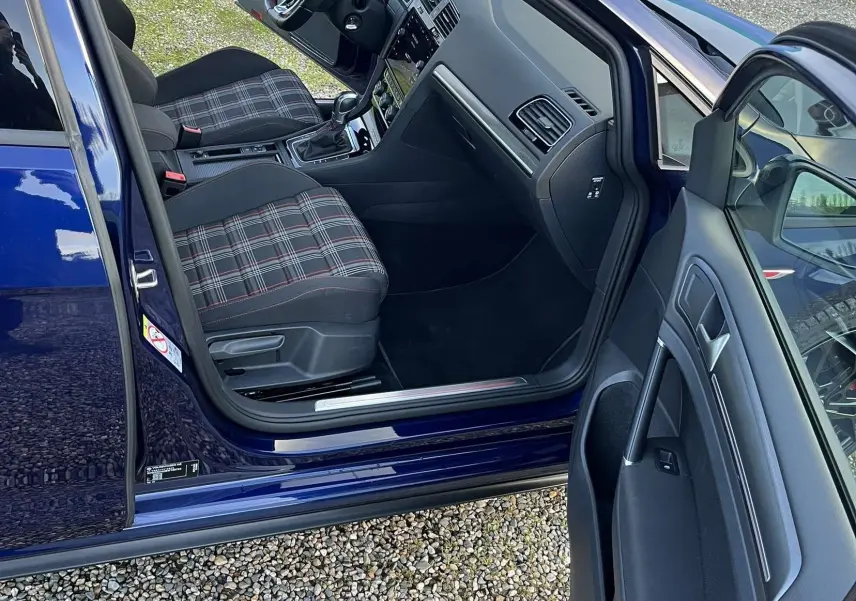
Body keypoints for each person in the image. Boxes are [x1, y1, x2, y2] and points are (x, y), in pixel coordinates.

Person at [0, 10, 62, 131]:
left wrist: (35, 75)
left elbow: (52, 116)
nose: (9, 36)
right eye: (2, 29)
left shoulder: (20, 78)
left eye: (10, 32)